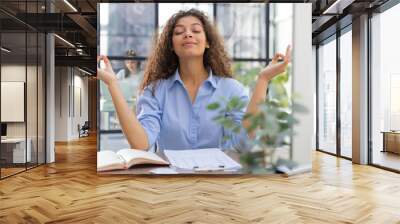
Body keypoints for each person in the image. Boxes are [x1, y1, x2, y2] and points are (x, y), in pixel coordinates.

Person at [97, 9, 291, 151]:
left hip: (219, 184)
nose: (188, 34)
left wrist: (263, 79)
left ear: (207, 42)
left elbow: (242, 141)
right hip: (169, 185)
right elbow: (141, 143)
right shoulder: (155, 90)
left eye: (196, 30)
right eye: (179, 32)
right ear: (171, 45)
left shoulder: (231, 89)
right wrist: (113, 85)